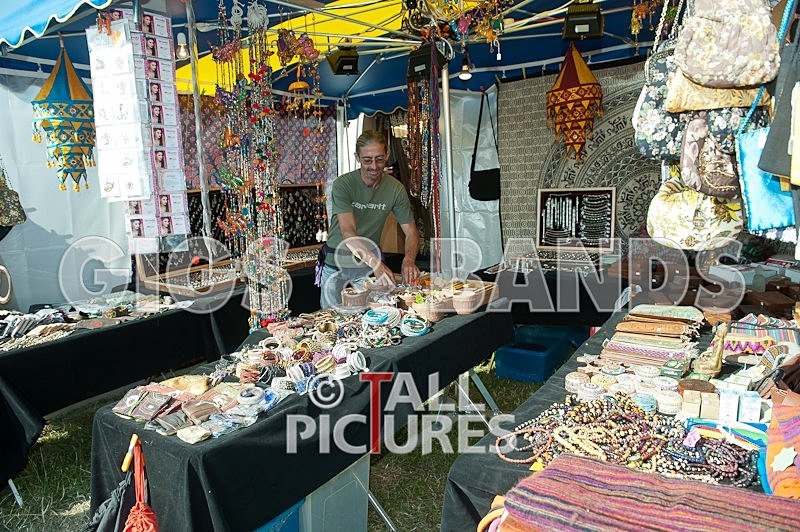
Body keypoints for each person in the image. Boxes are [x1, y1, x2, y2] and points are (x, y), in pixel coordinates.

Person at [317, 130, 420, 309]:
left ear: (387, 154)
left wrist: (409, 259)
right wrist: (377, 264)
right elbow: (348, 233)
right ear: (357, 157)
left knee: (376, 315)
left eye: (379, 159)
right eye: (367, 160)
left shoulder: (395, 189)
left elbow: (411, 231)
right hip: (336, 263)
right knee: (332, 318)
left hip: (366, 267)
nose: (374, 166)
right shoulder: (343, 184)